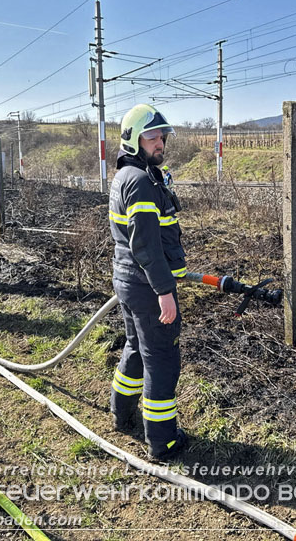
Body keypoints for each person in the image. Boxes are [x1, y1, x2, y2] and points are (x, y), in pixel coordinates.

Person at [108, 103, 188, 463]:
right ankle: (162, 441)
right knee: (162, 359)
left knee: (137, 348)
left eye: (162, 136)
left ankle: (121, 415)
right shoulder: (140, 182)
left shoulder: (131, 175)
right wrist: (164, 291)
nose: (160, 143)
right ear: (133, 140)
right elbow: (145, 245)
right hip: (146, 286)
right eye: (152, 136)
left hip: (129, 281)